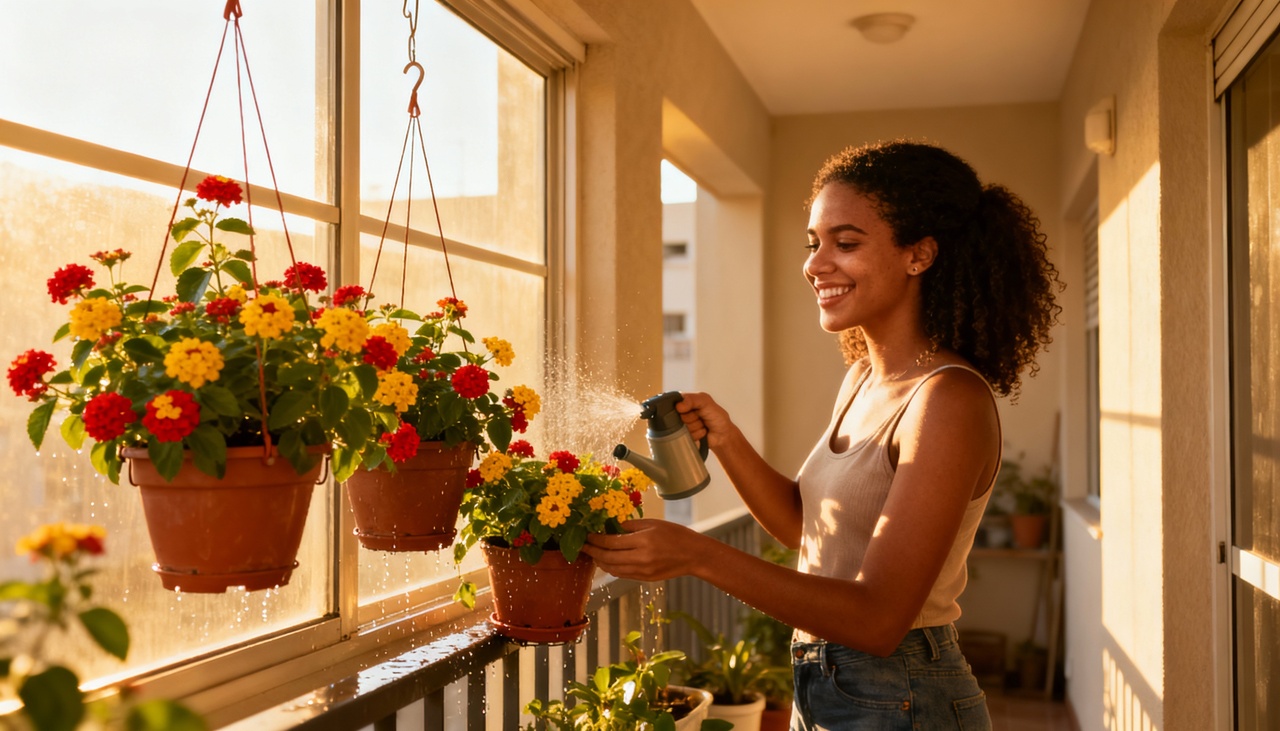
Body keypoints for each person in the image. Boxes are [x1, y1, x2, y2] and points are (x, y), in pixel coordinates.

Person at [583, 139, 1061, 730]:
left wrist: (696, 555)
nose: (814, 263)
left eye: (846, 243)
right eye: (814, 244)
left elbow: (879, 620)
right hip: (832, 683)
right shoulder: (862, 378)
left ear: (920, 255)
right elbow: (804, 531)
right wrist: (727, 439)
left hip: (901, 694)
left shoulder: (947, 400)